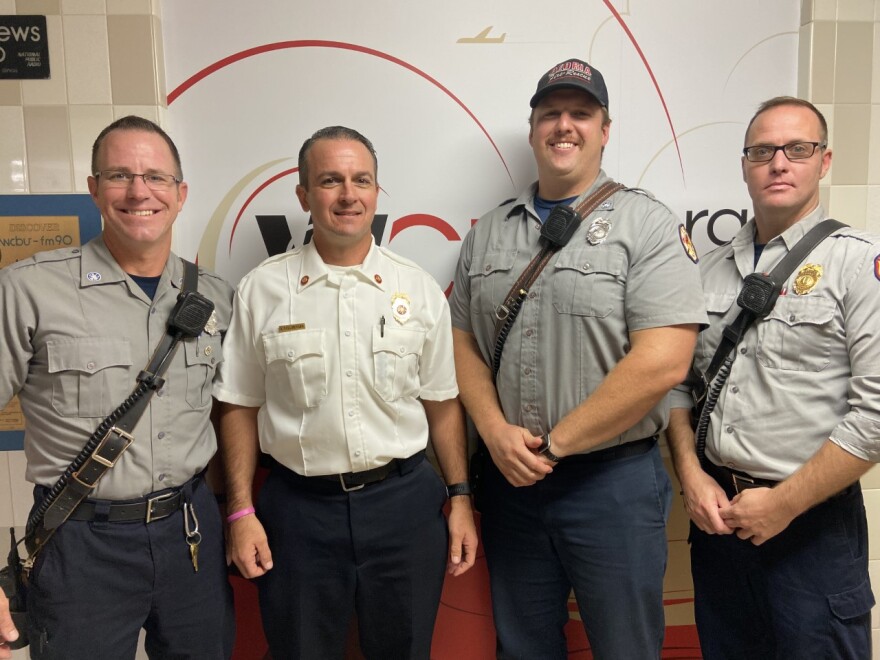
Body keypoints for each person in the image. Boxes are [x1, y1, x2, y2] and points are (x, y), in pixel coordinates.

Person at [449, 58, 707, 658]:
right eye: (551, 114)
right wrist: (491, 432)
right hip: (512, 485)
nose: (564, 125)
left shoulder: (647, 224)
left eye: (581, 114)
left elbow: (664, 361)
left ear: (605, 129)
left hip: (610, 485)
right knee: (523, 646)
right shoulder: (488, 233)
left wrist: (558, 444)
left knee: (625, 648)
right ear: (534, 126)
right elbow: (461, 342)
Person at [217, 125, 477, 659]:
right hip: (298, 514)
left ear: (377, 192)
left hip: (404, 509)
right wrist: (240, 513)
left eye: (361, 180)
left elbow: (443, 405)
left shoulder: (417, 289)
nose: (348, 194)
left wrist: (460, 497)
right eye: (330, 180)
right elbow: (238, 406)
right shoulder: (263, 290)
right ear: (304, 195)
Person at [0, 116, 234, 659]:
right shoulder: (29, 290)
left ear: (180, 194)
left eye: (155, 177)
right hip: (79, 545)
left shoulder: (216, 298)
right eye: (119, 176)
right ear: (93, 189)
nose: (138, 192)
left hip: (191, 535)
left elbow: (229, 415)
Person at [667, 96, 878, 659]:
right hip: (719, 524)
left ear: (824, 161)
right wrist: (690, 474)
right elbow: (678, 388)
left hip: (811, 528)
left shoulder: (859, 264)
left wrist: (784, 502)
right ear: (744, 164)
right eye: (763, 151)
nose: (778, 163)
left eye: (797, 149)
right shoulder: (709, 268)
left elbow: (876, 414)